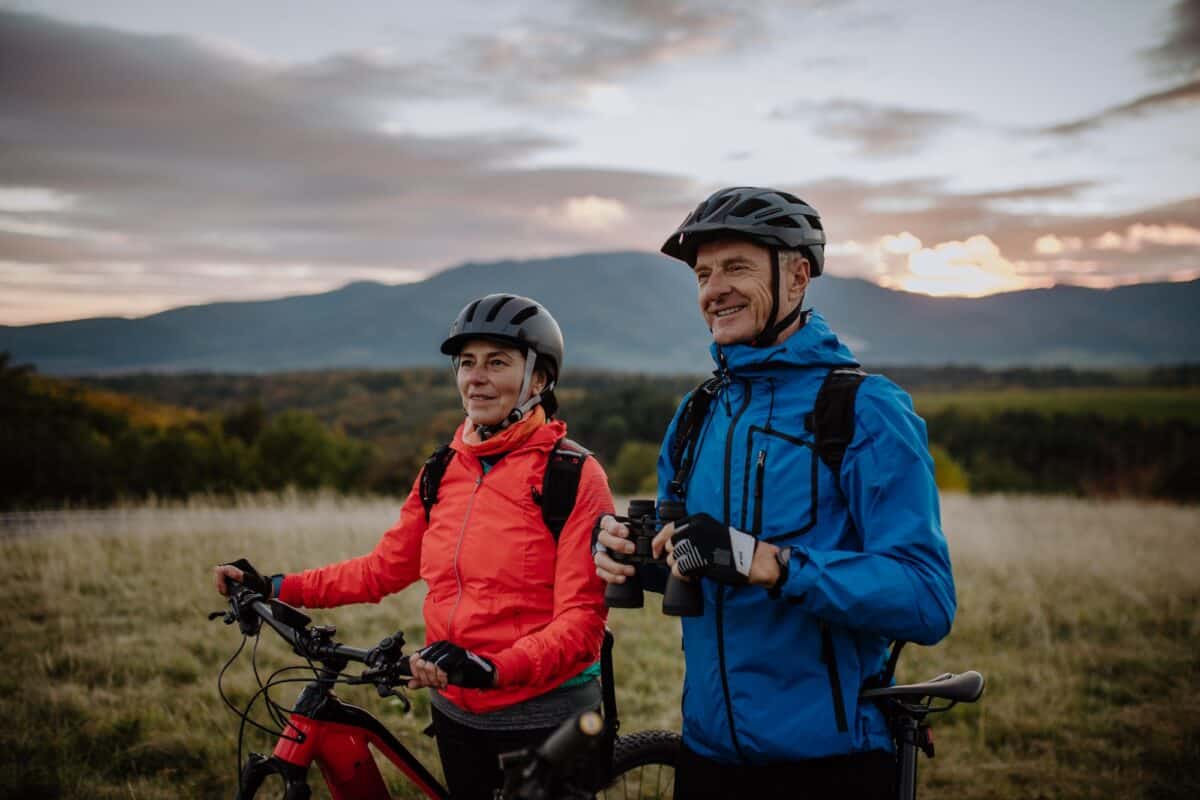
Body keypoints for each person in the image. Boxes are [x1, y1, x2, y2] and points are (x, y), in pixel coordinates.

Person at [594, 187, 956, 799]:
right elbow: (696, 562)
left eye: (735, 267)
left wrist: (768, 562)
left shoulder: (863, 410)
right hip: (707, 755)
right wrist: (635, 555)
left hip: (828, 764)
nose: (714, 290)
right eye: (703, 274)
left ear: (797, 276)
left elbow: (926, 598)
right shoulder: (697, 414)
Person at [215, 294, 613, 800]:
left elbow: (582, 622)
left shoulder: (572, 475)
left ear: (538, 380)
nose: (476, 378)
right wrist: (275, 586)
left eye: (497, 363)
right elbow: (381, 570)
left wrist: (495, 668)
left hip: (544, 718)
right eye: (466, 363)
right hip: (454, 711)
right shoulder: (441, 471)